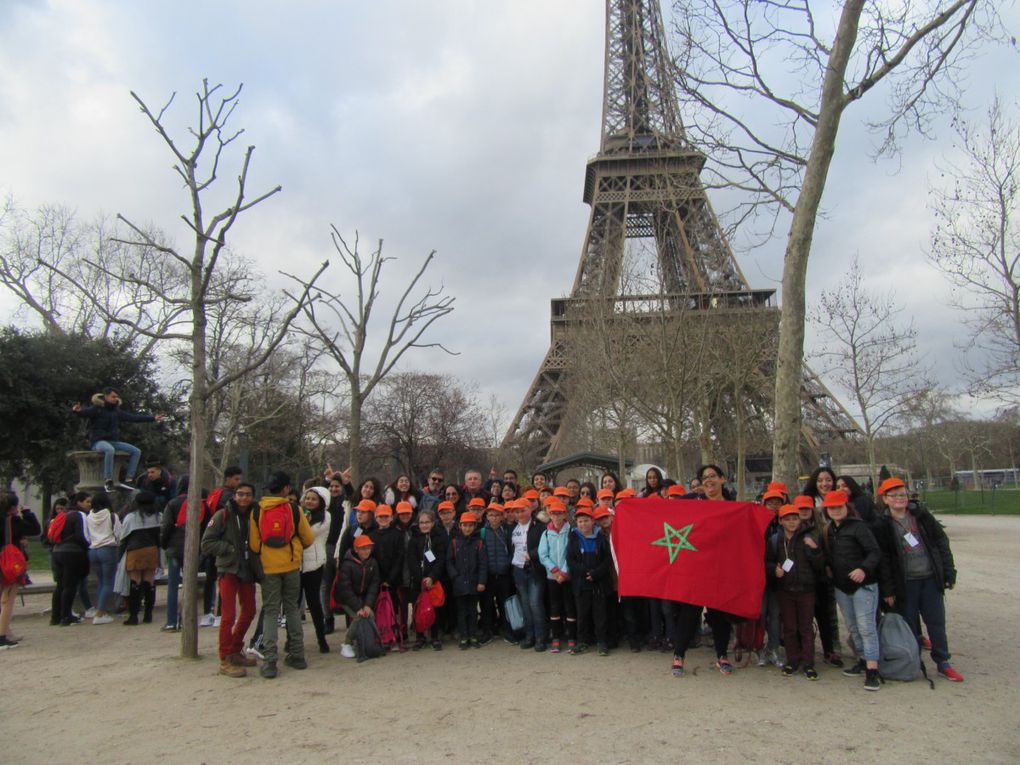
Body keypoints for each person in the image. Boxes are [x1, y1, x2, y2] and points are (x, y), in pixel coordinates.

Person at [872, 477, 963, 682]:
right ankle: (913, 661)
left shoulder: (921, 516)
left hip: (929, 577)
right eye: (894, 496)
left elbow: (941, 542)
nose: (899, 499)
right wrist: (888, 590)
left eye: (902, 494)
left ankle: (942, 661)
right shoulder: (882, 524)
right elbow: (884, 560)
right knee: (909, 625)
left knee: (936, 622)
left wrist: (949, 572)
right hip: (905, 582)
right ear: (885, 499)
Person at [249, 471, 316, 679]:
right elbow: (308, 538)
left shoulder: (258, 510)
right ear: (286, 489)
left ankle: (269, 661)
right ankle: (297, 654)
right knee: (292, 609)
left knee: (270, 612)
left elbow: (253, 544)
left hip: (269, 568)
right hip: (291, 565)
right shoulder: (294, 509)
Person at [823, 489, 887, 691]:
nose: (835, 511)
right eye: (831, 508)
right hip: (842, 586)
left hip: (863, 585)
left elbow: (875, 552)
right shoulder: (829, 530)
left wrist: (864, 569)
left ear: (847, 507)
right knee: (853, 626)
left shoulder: (859, 527)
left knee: (866, 626)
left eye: (839, 507)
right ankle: (861, 658)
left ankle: (872, 669)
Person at [200, 482, 258, 678]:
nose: (244, 498)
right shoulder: (222, 516)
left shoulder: (254, 515)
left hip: (247, 569)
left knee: (249, 610)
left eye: (248, 494)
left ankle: (235, 648)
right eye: (240, 494)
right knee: (228, 615)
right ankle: (225, 658)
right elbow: (207, 543)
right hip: (228, 568)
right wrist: (229, 549)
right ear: (234, 496)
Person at [766, 504, 824, 679]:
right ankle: (793, 660)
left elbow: (820, 564)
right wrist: (773, 570)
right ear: (781, 521)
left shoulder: (808, 538)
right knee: (790, 627)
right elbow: (767, 562)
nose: (792, 522)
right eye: (787, 519)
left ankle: (808, 662)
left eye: (795, 518)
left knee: (806, 627)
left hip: (806, 589)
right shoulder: (775, 540)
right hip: (785, 589)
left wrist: (815, 550)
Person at [72, 388, 166, 491]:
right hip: (98, 442)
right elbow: (85, 413)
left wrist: (153, 418)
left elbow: (133, 418)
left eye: (116, 397)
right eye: (113, 396)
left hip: (113, 441)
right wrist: (78, 411)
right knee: (109, 450)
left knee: (136, 451)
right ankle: (108, 479)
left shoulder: (116, 411)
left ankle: (129, 479)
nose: (115, 399)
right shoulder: (97, 408)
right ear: (106, 396)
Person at [566, 506, 611, 655]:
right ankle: (582, 641)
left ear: (593, 521)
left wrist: (596, 573)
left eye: (586, 521)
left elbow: (607, 560)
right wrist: (585, 572)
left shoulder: (600, 538)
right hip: (580, 583)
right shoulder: (573, 538)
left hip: (598, 583)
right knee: (582, 614)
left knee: (600, 614)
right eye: (580, 521)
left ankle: (602, 642)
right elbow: (570, 560)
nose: (583, 524)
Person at [1, 492, 41, 648]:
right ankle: (2, 636)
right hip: (8, 562)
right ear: (12, 508)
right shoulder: (12, 521)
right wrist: (27, 513)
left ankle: (5, 631)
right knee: (7, 601)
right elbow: (35, 529)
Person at [117, 491, 161, 625]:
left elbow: (123, 538)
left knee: (135, 582)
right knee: (150, 581)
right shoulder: (158, 516)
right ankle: (148, 614)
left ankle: (134, 615)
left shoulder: (131, 517)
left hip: (135, 551)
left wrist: (119, 556)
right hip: (152, 550)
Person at [510, 498, 548, 652]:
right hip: (518, 569)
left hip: (534, 569)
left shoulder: (538, 526)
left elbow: (544, 546)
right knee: (525, 604)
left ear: (530, 509)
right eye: (517, 511)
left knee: (535, 603)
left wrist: (531, 555)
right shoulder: (513, 528)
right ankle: (529, 635)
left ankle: (541, 637)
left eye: (523, 510)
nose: (520, 514)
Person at [406, 509, 447, 650]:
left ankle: (434, 636)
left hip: (433, 580)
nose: (424, 525)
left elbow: (440, 559)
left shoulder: (438, 538)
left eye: (427, 522)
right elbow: (411, 560)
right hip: (418, 581)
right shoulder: (414, 539)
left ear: (433, 523)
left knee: (434, 608)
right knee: (418, 608)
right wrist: (420, 578)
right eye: (422, 522)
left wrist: (432, 577)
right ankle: (420, 636)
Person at [447, 511, 488, 649]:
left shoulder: (479, 543)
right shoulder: (454, 542)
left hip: (474, 582)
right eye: (465, 525)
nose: (467, 528)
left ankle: (473, 635)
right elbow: (449, 562)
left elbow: (483, 564)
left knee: (473, 611)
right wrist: (455, 576)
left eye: (470, 525)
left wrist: (482, 581)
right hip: (459, 583)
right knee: (461, 611)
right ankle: (464, 636)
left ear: (475, 526)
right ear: (460, 526)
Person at [47, 494, 90, 626]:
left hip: (57, 550)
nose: (89, 504)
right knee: (70, 585)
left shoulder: (63, 514)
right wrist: (87, 547)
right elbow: (81, 535)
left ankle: (55, 616)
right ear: (79, 502)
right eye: (88, 501)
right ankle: (66, 616)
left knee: (60, 585)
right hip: (73, 552)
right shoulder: (79, 515)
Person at [335, 535, 381, 659]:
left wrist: (367, 605)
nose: (366, 551)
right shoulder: (347, 565)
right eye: (363, 548)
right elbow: (345, 590)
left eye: (368, 548)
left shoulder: (373, 563)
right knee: (358, 617)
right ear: (356, 549)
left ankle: (368, 642)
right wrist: (358, 607)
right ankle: (346, 643)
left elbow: (373, 586)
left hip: (363, 597)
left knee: (370, 614)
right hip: (346, 598)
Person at [539, 500, 575, 654]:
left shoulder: (572, 531)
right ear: (549, 515)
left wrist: (565, 572)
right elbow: (542, 554)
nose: (556, 517)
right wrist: (554, 570)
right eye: (553, 514)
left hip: (567, 577)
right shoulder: (546, 533)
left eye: (559, 513)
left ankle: (572, 637)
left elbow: (572, 554)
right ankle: (556, 638)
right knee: (555, 607)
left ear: (565, 514)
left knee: (569, 607)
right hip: (552, 577)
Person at [299, 486, 332, 654]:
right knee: (295, 604)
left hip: (314, 564)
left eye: (313, 499)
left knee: (314, 603)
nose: (309, 501)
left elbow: (309, 534)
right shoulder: (299, 513)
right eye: (307, 498)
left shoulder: (325, 517)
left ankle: (321, 639)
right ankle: (293, 640)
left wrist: (300, 520)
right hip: (297, 563)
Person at [371, 504, 405, 650]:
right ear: (376, 518)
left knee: (394, 608)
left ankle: (395, 636)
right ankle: (381, 636)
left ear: (391, 517)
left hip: (393, 580)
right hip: (377, 580)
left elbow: (400, 557)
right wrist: (378, 578)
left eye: (386, 516)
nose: (383, 519)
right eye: (380, 516)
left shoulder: (397, 535)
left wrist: (390, 579)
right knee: (378, 609)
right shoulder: (371, 535)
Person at [158, 478, 191, 632]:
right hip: (191, 548)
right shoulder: (198, 502)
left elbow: (165, 527)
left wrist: (164, 545)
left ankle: (171, 621)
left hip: (173, 548)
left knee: (172, 586)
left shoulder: (172, 503)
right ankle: (186, 619)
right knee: (189, 584)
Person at [480, 503, 513, 645]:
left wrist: (508, 565)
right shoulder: (482, 532)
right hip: (488, 574)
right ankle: (487, 631)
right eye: (491, 515)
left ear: (502, 516)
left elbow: (513, 550)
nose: (494, 518)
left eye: (497, 515)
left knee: (505, 604)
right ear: (487, 516)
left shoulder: (507, 531)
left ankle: (507, 630)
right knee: (486, 606)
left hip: (504, 574)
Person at [85, 492, 120, 625]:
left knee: (101, 582)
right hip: (108, 548)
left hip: (93, 549)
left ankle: (100, 610)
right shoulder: (111, 516)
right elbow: (118, 532)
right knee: (108, 582)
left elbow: (88, 534)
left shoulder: (89, 517)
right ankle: (100, 613)